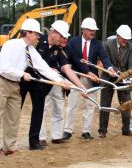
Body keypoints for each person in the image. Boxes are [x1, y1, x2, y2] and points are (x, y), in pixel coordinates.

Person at [0, 19, 69, 155]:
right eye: (36, 34)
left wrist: (60, 81)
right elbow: (2, 67)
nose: (38, 37)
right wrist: (21, 73)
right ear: (28, 33)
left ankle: (9, 147)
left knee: (13, 119)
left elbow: (43, 68)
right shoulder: (11, 44)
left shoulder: (30, 50)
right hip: (2, 83)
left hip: (15, 87)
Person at [20, 20, 85, 150]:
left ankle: (34, 142)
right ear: (54, 33)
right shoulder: (37, 40)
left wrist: (80, 86)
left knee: (38, 111)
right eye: (61, 36)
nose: (63, 39)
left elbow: (67, 69)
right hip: (25, 79)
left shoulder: (59, 50)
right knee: (15, 109)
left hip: (41, 84)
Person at [63, 17, 116, 140]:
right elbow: (72, 59)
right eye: (90, 30)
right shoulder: (73, 42)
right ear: (83, 30)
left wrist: (110, 68)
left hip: (92, 78)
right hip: (75, 76)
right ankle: (67, 130)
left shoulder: (97, 44)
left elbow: (104, 57)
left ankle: (86, 131)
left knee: (90, 105)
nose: (93, 32)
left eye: (94, 30)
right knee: (73, 104)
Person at [98, 24, 132, 138]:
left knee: (126, 103)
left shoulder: (130, 47)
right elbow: (106, 61)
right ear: (117, 36)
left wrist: (130, 75)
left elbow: (131, 62)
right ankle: (103, 130)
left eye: (127, 39)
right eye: (124, 39)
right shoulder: (107, 45)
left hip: (123, 78)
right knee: (105, 104)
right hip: (108, 77)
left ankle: (126, 129)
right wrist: (113, 70)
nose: (126, 41)